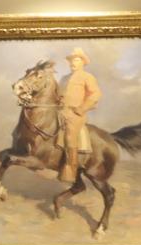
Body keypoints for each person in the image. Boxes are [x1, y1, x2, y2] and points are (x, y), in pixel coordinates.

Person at [58, 47, 102, 182]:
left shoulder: (87, 77)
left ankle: (71, 169)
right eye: (71, 60)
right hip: (60, 110)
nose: (73, 62)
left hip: (75, 114)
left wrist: (82, 108)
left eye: (76, 60)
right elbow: (58, 94)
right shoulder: (64, 78)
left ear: (83, 62)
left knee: (70, 135)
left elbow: (96, 94)